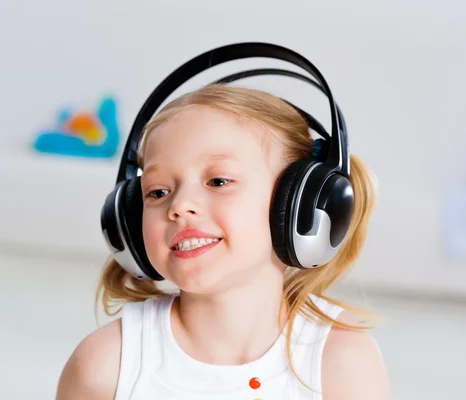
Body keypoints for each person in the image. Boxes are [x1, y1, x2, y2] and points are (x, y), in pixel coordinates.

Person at [56, 83, 391, 399]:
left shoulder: (342, 362)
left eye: (218, 181)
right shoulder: (105, 366)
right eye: (158, 192)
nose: (179, 206)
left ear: (296, 206)